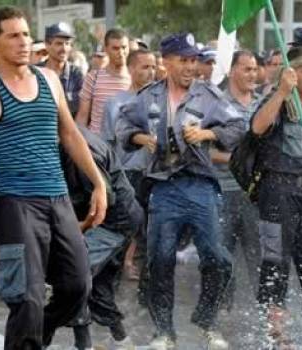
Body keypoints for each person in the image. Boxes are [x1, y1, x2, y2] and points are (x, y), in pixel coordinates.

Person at [0, 7, 107, 349]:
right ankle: (26, 338)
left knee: (78, 286)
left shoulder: (49, 80)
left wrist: (99, 183)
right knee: (26, 297)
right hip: (15, 205)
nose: (23, 42)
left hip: (58, 198)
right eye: (13, 35)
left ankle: (29, 338)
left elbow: (71, 135)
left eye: (26, 34)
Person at [117, 32, 244, 350]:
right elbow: (123, 126)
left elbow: (238, 127)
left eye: (193, 61)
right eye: (184, 60)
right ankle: (164, 332)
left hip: (200, 185)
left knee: (217, 258)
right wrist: (140, 139)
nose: (191, 67)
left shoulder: (208, 95)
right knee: (159, 259)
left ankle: (207, 320)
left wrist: (206, 132)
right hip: (163, 188)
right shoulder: (148, 96)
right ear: (167, 61)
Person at [250, 46, 302, 345]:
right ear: (292, 72)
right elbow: (258, 128)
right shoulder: (277, 100)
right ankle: (277, 335)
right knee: (276, 262)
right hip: (277, 191)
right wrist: (282, 92)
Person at [62, 127, 144, 350]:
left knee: (74, 274)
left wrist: (77, 227)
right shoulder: (66, 134)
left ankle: (83, 345)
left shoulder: (78, 147)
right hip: (114, 217)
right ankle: (122, 341)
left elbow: (104, 199)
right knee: (97, 285)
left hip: (112, 220)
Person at [101, 48, 156, 282]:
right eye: (145, 67)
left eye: (153, 67)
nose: (150, 72)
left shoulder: (162, 101)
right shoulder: (115, 104)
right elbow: (106, 143)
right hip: (126, 173)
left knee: (151, 229)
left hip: (155, 173)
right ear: (131, 69)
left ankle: (147, 280)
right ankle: (115, 272)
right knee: (125, 225)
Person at [213, 50, 261, 310]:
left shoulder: (262, 103)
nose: (252, 74)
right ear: (232, 71)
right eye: (246, 69)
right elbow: (204, 149)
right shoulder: (216, 104)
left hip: (255, 192)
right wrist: (235, 158)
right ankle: (220, 312)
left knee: (259, 255)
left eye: (255, 69)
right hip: (224, 189)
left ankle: (265, 311)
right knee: (222, 253)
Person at [76, 28, 131, 132]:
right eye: (115, 48)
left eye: (124, 47)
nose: (121, 52)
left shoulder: (135, 78)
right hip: (98, 143)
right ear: (106, 49)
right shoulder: (93, 78)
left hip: (126, 143)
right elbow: (82, 116)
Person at [40, 22, 84, 117]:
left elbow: (80, 105)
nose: (64, 48)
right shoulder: (36, 72)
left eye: (67, 44)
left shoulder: (76, 74)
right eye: (59, 44)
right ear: (47, 45)